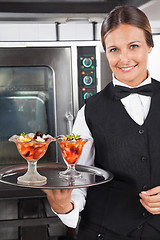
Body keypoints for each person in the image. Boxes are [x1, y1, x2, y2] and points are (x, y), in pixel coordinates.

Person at [42, 5, 160, 240]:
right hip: (104, 232)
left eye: (133, 46)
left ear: (150, 45)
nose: (123, 58)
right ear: (106, 52)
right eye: (114, 49)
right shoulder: (89, 111)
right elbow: (78, 179)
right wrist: (64, 207)